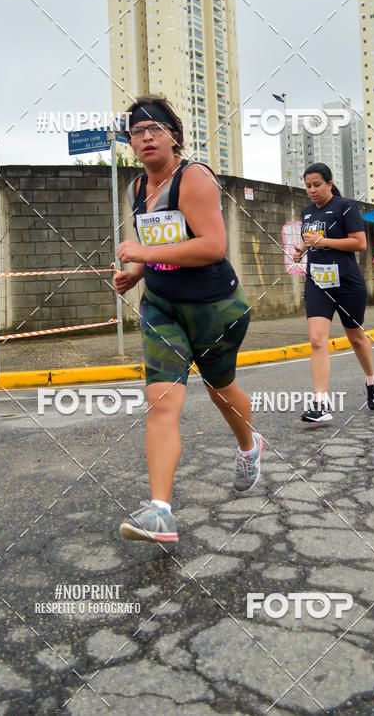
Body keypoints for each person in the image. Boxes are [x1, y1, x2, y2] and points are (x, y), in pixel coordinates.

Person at [112, 94, 263, 543]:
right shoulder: (136, 190)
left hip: (216, 308)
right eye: (137, 132)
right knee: (161, 401)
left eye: (155, 128)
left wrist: (142, 253)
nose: (145, 137)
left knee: (221, 391)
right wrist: (137, 272)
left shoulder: (194, 177)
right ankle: (160, 512)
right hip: (162, 307)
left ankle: (250, 447)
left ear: (174, 136)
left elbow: (212, 245)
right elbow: (162, 248)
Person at [292, 162, 374, 422]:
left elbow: (360, 243)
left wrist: (322, 241)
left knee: (356, 338)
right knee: (317, 340)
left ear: (329, 184)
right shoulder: (307, 213)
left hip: (347, 284)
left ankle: (371, 381)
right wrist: (302, 250)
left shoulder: (345, 207)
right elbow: (311, 242)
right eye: (308, 185)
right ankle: (321, 404)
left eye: (317, 185)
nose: (311, 190)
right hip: (317, 283)